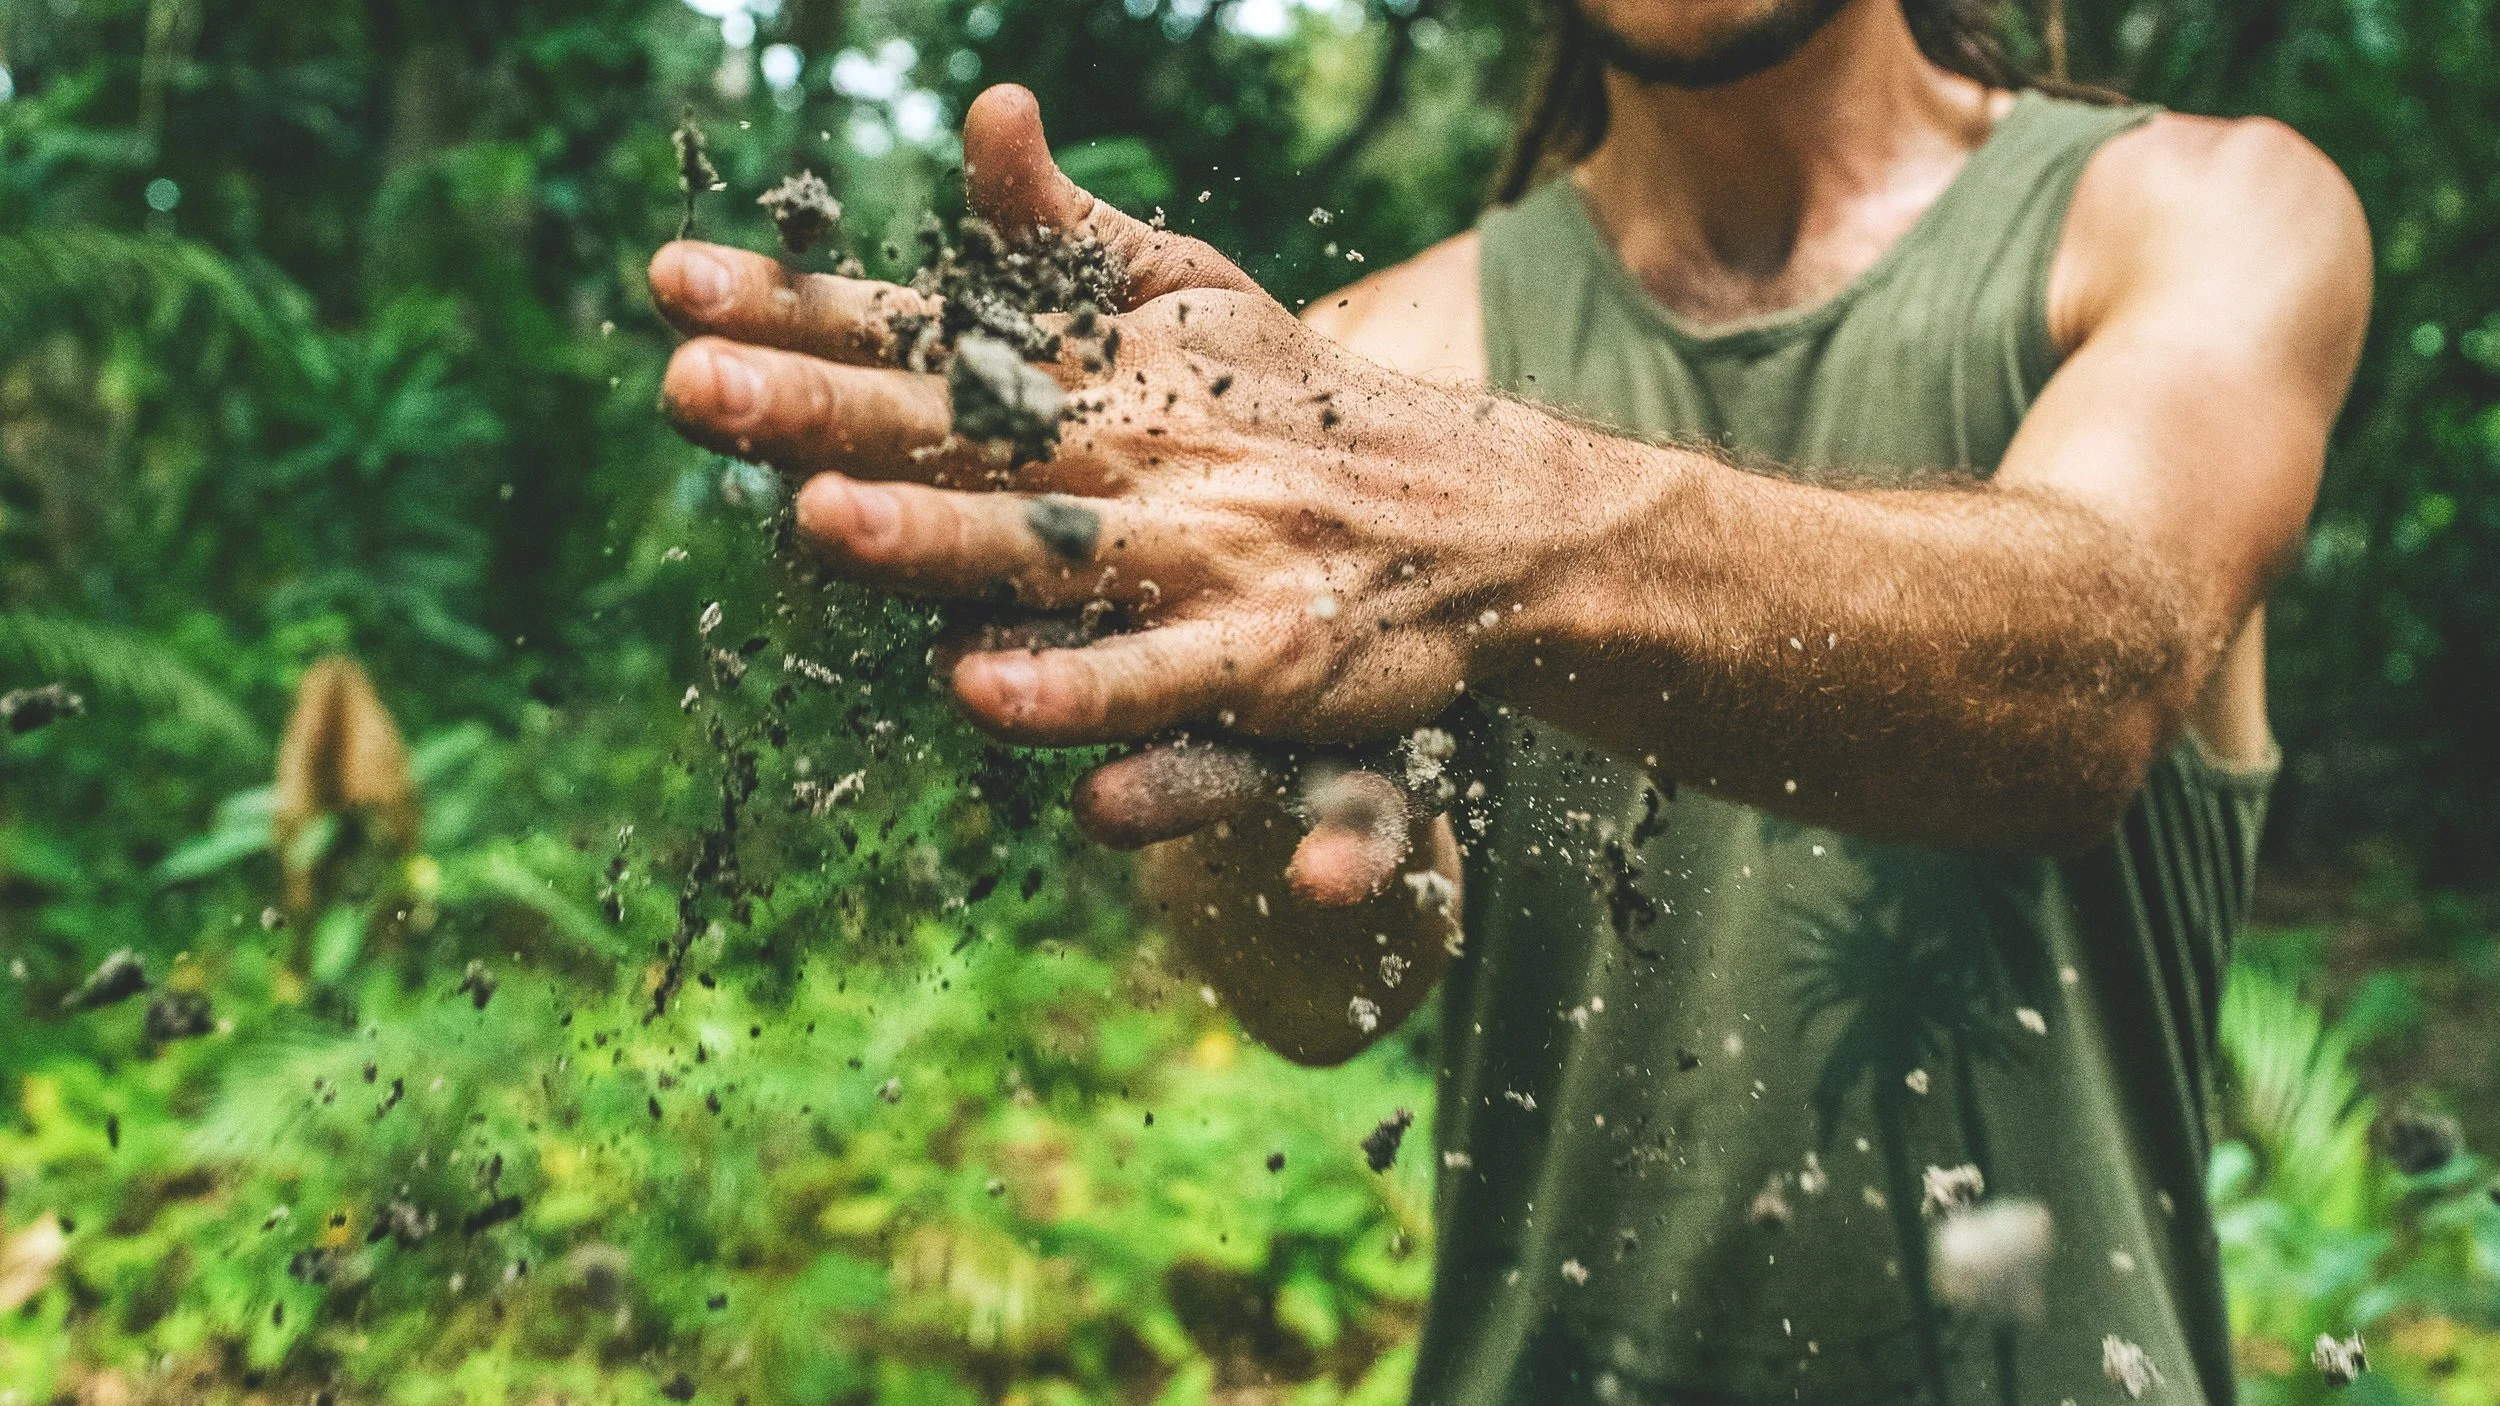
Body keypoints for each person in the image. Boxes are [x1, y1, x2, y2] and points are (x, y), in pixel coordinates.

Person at [646, 0, 2369, 1398]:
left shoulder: (2204, 213)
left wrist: (1495, 532)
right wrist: (1287, 807)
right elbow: (1312, 997)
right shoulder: (1368, 369)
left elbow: (2091, 665)